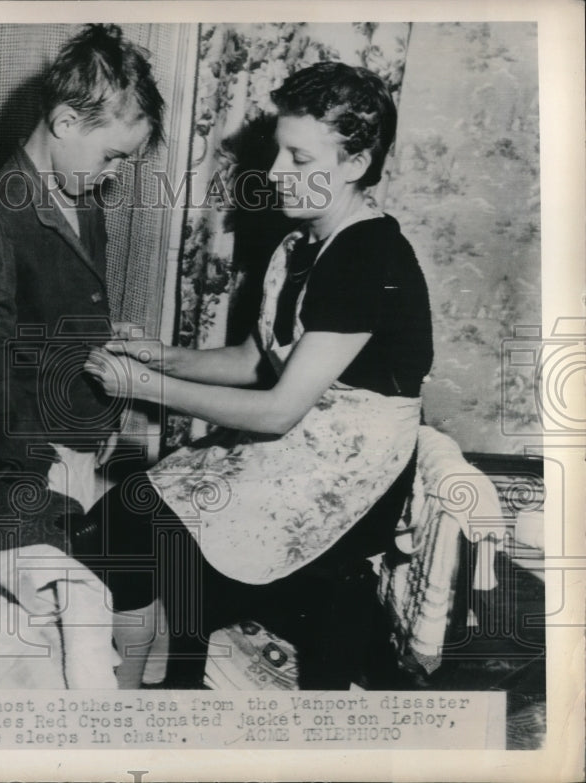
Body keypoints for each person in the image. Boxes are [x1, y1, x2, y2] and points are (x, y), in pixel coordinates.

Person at [82, 61, 434, 688]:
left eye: (299, 159)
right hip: (301, 441)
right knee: (125, 518)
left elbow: (277, 410)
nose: (274, 174)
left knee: (138, 526)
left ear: (355, 164)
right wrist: (159, 356)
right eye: (279, 153)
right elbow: (254, 359)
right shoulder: (301, 244)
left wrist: (143, 388)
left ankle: (153, 683)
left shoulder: (368, 256)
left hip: (349, 468)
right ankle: (152, 681)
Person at [0, 24, 164, 479]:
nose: (114, 172)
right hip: (31, 446)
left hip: (78, 424)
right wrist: (31, 454)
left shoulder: (83, 194)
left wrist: (104, 412)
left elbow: (60, 309)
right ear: (65, 123)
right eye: (111, 156)